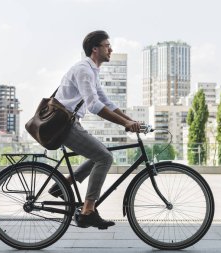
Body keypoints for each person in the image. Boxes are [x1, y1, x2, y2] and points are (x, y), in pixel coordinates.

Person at [48, 30, 140, 229]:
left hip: (70, 122)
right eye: (107, 45)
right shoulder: (84, 70)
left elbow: (105, 101)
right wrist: (124, 124)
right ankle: (88, 210)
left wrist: (131, 121)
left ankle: (63, 184)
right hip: (63, 124)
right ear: (95, 49)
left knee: (100, 153)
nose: (111, 49)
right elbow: (94, 105)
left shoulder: (92, 71)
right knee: (104, 157)